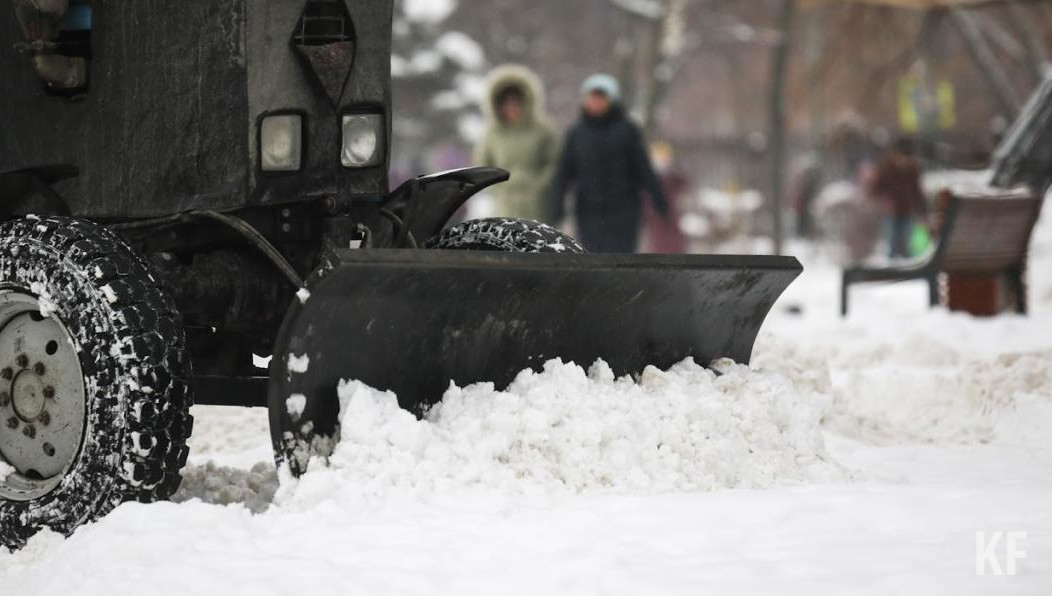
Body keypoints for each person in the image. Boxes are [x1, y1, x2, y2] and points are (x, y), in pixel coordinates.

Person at [550, 74, 669, 253]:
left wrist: (659, 201)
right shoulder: (575, 134)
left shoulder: (628, 131)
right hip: (588, 213)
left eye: (601, 97)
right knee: (592, 261)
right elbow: (563, 173)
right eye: (592, 97)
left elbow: (643, 169)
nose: (596, 102)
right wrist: (556, 206)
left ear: (612, 100)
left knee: (622, 262)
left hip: (624, 213)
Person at [474, 65, 560, 222]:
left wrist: (538, 184)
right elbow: (482, 166)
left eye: (516, 103)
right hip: (503, 204)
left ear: (526, 102)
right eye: (506, 104)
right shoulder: (492, 134)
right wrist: (499, 187)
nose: (511, 108)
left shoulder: (543, 130)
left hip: (537, 205)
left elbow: (554, 163)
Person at [869, 137, 928, 259]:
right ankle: (892, 268)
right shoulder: (885, 168)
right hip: (890, 212)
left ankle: (907, 270)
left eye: (908, 158)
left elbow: (917, 192)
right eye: (902, 157)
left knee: (907, 245)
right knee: (892, 245)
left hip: (907, 210)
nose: (904, 161)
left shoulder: (913, 169)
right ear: (895, 155)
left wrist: (923, 212)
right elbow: (875, 190)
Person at [644, 141, 687, 253]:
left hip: (671, 219)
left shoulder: (675, 178)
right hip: (658, 220)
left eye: (664, 158)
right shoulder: (650, 181)